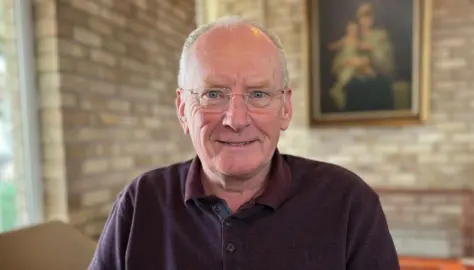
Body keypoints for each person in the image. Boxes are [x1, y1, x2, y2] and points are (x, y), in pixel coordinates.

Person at [88, 16, 400, 270]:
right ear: (183, 109)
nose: (235, 120)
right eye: (213, 94)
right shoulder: (141, 202)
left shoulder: (348, 203)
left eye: (258, 94)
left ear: (286, 109)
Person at [328, 21, 361, 110]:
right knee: (346, 73)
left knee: (351, 71)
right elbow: (337, 45)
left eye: (355, 30)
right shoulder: (346, 39)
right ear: (347, 31)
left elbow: (360, 48)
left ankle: (340, 90)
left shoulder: (357, 41)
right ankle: (337, 89)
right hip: (344, 60)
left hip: (352, 62)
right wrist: (333, 46)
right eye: (351, 30)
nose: (353, 32)